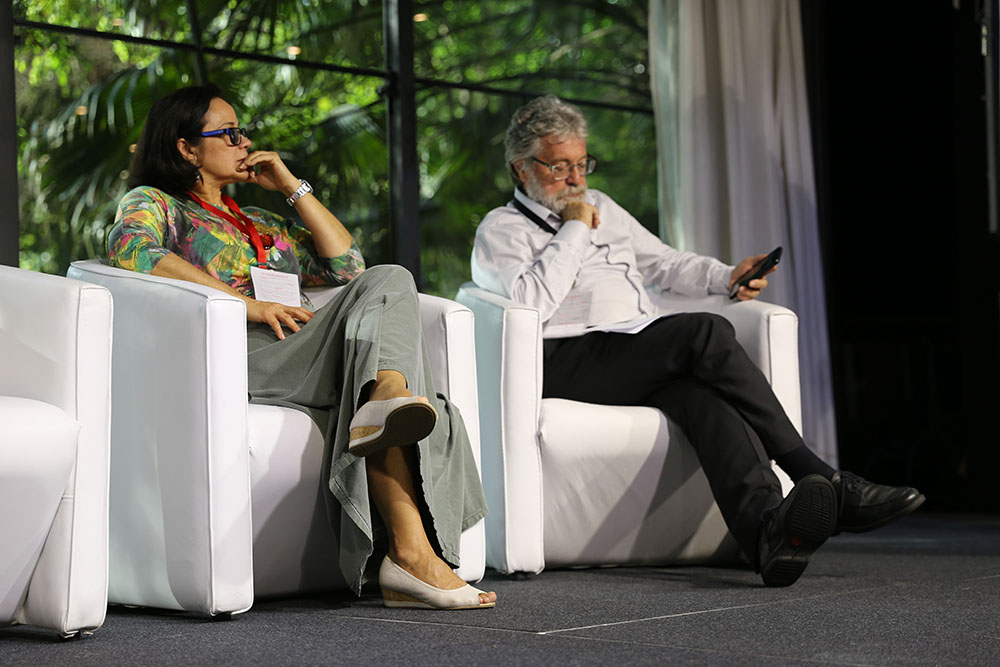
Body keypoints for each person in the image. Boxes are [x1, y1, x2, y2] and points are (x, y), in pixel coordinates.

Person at [471, 95, 924, 587]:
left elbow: (664, 263)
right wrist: (576, 227)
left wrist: (726, 276)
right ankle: (821, 475)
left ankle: (767, 535)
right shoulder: (501, 230)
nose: (576, 179)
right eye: (559, 167)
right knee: (704, 331)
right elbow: (531, 302)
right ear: (521, 168)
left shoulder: (603, 206)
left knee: (703, 399)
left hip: (630, 348)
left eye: (582, 164)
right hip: (562, 357)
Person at [108, 84, 495, 609]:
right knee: (392, 279)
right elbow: (133, 249)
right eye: (229, 133)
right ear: (186, 148)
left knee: (386, 294)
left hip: (299, 347)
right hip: (241, 350)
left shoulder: (261, 222)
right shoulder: (156, 203)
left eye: (243, 132)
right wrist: (248, 305)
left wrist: (291, 185)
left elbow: (346, 266)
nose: (245, 143)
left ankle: (407, 547)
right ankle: (390, 412)